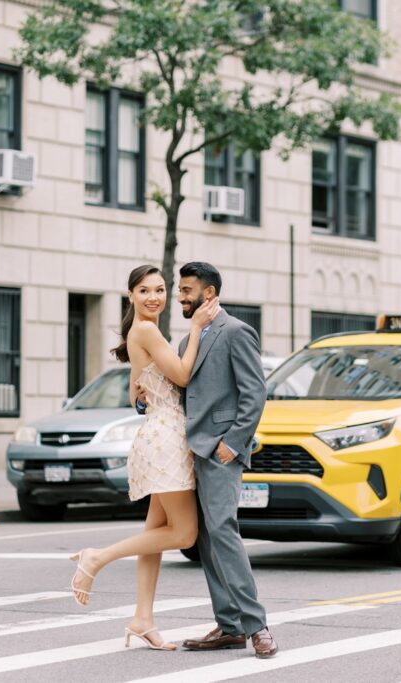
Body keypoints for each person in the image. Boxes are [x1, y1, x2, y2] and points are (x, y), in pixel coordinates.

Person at [68, 264, 219, 651]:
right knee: (184, 533)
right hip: (166, 439)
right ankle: (97, 557)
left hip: (162, 434)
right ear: (131, 296)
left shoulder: (144, 332)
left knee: (155, 535)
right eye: (144, 290)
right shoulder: (148, 330)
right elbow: (184, 376)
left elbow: (140, 388)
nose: (154, 297)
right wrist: (199, 327)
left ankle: (143, 618)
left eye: (160, 290)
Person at [143, 261, 278, 659]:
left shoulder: (236, 332)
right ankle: (230, 625)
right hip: (187, 450)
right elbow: (182, 391)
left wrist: (233, 443)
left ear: (210, 294)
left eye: (186, 291)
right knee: (203, 538)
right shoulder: (188, 340)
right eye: (179, 290)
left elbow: (255, 394)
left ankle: (257, 626)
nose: (180, 297)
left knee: (222, 530)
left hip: (220, 450)